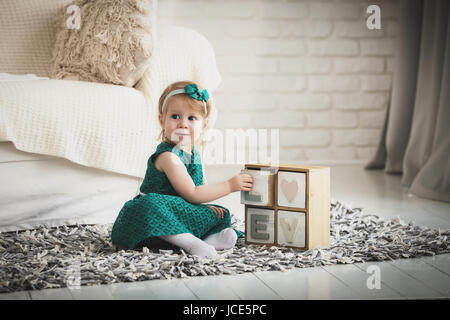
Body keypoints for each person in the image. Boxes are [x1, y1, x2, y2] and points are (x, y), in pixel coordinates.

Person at [111, 80, 254, 258]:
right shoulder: (168, 157)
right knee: (151, 204)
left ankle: (208, 241)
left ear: (204, 125)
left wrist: (206, 206)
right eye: (175, 116)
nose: (183, 124)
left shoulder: (194, 154)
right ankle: (193, 244)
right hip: (150, 218)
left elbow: (201, 189)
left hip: (178, 211)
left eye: (191, 118)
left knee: (219, 213)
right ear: (161, 120)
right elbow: (192, 193)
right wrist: (230, 185)